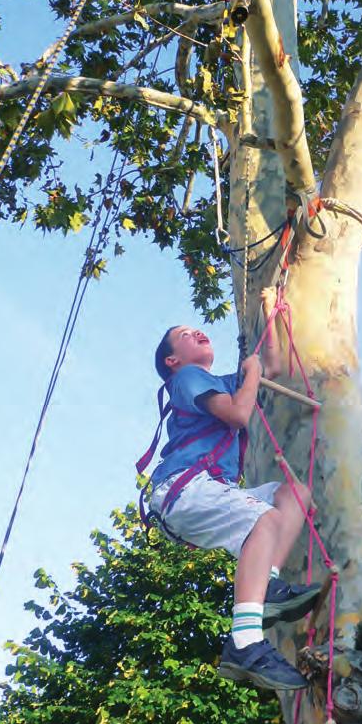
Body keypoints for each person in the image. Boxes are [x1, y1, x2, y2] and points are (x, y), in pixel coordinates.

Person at [140, 288, 320, 691]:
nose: (198, 331)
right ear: (173, 360)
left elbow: (269, 368)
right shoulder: (186, 377)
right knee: (266, 519)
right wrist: (252, 373)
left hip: (208, 489)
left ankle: (268, 584)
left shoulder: (215, 381)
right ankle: (244, 641)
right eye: (186, 334)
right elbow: (240, 413)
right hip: (183, 487)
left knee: (294, 495)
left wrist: (272, 315)